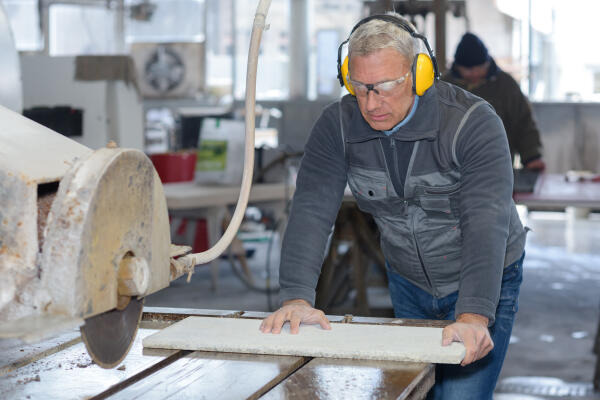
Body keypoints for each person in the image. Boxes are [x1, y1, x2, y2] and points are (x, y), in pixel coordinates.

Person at [260, 13, 526, 400]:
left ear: (420, 75)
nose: (371, 104)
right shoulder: (338, 126)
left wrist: (472, 316)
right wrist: (296, 298)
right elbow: (312, 210)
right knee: (411, 392)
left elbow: (486, 220)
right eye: (360, 87)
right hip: (408, 280)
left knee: (459, 396)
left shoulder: (471, 123)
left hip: (483, 281)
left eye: (385, 87)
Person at [443, 32, 545, 171]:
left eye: (479, 68)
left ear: (487, 63)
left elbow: (523, 121)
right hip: (450, 168)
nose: (474, 74)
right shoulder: (444, 87)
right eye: (468, 70)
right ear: (457, 66)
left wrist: (532, 156)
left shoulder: (506, 85)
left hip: (497, 166)